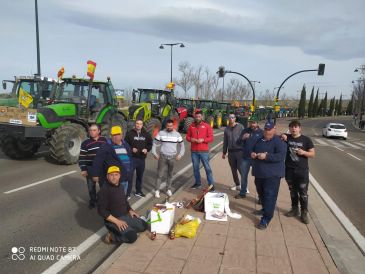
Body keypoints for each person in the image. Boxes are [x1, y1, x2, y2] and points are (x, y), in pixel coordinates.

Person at [97, 166, 147, 244]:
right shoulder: (104, 191)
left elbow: (125, 201)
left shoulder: (120, 186)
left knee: (144, 225)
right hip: (113, 221)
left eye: (116, 174)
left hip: (125, 216)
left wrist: (130, 210)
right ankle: (111, 236)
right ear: (107, 176)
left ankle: (128, 229)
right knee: (132, 237)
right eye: (111, 175)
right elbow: (101, 211)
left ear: (119, 176)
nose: (114, 177)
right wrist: (117, 222)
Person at [251, 121, 287, 229]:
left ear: (274, 129)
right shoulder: (259, 140)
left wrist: (266, 157)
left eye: (270, 129)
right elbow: (252, 150)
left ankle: (266, 218)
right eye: (266, 129)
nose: (267, 131)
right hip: (259, 173)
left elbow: (280, 156)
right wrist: (252, 154)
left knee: (270, 196)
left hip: (272, 174)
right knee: (261, 194)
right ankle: (265, 208)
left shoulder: (279, 142)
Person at [281, 120, 315, 224]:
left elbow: (313, 154)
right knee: (292, 191)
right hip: (289, 170)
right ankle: (295, 209)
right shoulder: (287, 137)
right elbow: (279, 135)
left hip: (302, 171)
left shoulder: (306, 140)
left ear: (300, 128)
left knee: (303, 193)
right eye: (291, 127)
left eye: (295, 127)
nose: (293, 129)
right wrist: (283, 135)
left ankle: (304, 213)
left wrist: (303, 152)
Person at [92, 126, 133, 195]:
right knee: (113, 197)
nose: (116, 137)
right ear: (111, 135)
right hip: (114, 179)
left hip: (126, 176)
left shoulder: (126, 144)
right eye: (113, 135)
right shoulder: (106, 146)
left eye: (117, 134)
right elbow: (97, 161)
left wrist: (131, 169)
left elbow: (130, 158)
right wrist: (95, 175)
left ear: (121, 135)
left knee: (123, 196)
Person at [152, 119, 185, 198]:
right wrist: (154, 153)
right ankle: (157, 190)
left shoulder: (177, 134)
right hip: (163, 157)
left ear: (173, 126)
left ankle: (168, 189)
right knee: (159, 175)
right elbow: (154, 143)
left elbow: (182, 146)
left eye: (171, 126)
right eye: (168, 126)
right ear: (166, 126)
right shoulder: (161, 133)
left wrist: (180, 155)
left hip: (172, 157)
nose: (169, 127)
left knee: (170, 175)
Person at [78, 124, 107, 209]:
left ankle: (103, 201)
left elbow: (109, 153)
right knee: (91, 186)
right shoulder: (85, 143)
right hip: (90, 168)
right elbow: (82, 157)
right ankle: (93, 201)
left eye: (94, 130)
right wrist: (83, 169)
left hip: (102, 168)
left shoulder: (104, 140)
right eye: (90, 130)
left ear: (99, 131)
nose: (92, 132)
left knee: (104, 186)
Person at [235, 116, 263, 199]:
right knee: (243, 176)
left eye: (254, 122)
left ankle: (260, 197)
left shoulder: (262, 132)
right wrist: (243, 138)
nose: (252, 124)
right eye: (250, 122)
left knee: (258, 178)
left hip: (256, 159)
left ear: (257, 123)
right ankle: (243, 192)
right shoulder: (245, 131)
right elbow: (238, 143)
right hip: (245, 157)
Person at [186, 111, 215, 191]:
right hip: (194, 151)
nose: (197, 118)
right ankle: (198, 183)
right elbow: (187, 137)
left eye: (199, 116)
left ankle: (211, 185)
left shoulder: (207, 126)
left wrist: (203, 140)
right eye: (196, 117)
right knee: (195, 168)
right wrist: (191, 139)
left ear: (201, 117)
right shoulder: (191, 126)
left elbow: (211, 138)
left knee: (207, 168)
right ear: (194, 117)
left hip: (204, 151)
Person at [125, 119, 153, 199]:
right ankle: (128, 193)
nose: (138, 125)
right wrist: (131, 149)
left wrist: (146, 149)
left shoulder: (146, 134)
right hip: (132, 159)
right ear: (135, 124)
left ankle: (138, 191)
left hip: (141, 159)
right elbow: (125, 144)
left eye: (140, 124)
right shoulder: (129, 133)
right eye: (137, 123)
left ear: (142, 125)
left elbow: (150, 144)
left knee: (139, 176)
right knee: (129, 177)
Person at [222, 114, 244, 191]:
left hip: (239, 151)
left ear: (235, 118)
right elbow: (225, 141)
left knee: (241, 169)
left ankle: (244, 186)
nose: (231, 119)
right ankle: (237, 184)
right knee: (233, 169)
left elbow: (244, 138)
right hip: (231, 152)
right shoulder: (226, 129)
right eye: (229, 117)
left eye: (232, 117)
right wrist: (224, 152)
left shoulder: (240, 127)